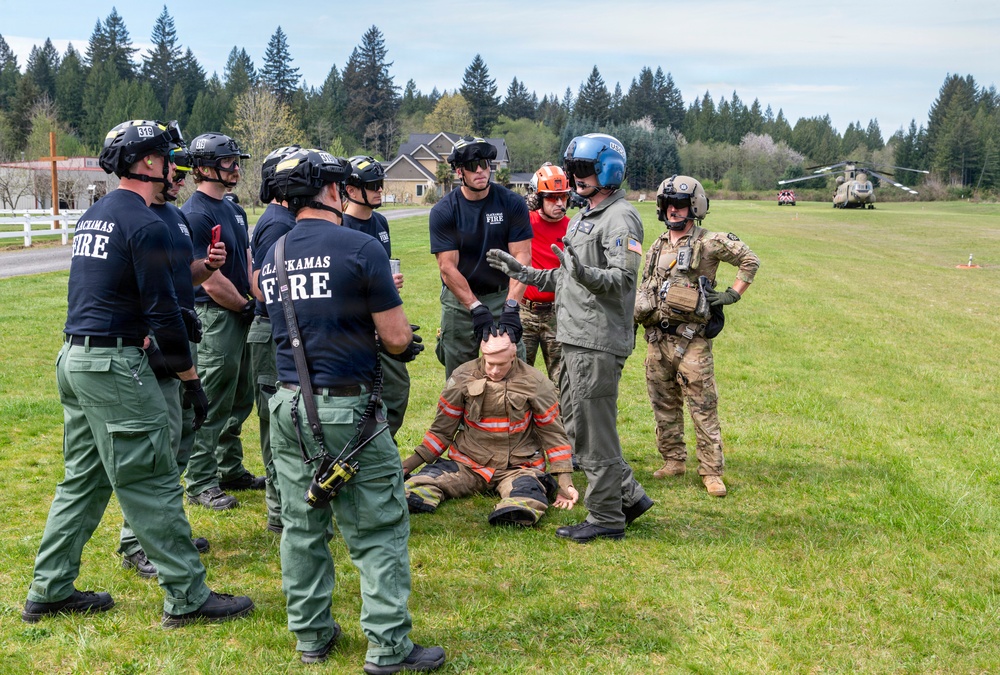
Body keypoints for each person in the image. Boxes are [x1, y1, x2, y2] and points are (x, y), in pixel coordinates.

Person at [22, 120, 253, 626]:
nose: (178, 168)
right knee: (153, 480)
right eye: (170, 158)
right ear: (148, 163)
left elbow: (152, 282)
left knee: (82, 480)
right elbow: (165, 313)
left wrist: (203, 268)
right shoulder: (147, 223)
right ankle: (188, 598)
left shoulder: (101, 213)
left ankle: (50, 588)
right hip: (115, 367)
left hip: (76, 360)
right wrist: (191, 380)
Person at [258, 148, 444, 672]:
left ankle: (311, 636)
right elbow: (395, 335)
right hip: (350, 408)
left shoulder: (271, 255)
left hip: (289, 407)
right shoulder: (362, 248)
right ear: (334, 192)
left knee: (301, 524)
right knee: (378, 527)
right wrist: (405, 345)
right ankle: (388, 647)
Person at [488, 133, 654, 543]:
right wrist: (521, 271)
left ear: (608, 171)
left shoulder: (621, 218)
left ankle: (607, 517)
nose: (577, 179)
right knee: (581, 428)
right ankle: (629, 497)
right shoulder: (584, 218)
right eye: (575, 169)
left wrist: (581, 272)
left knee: (593, 432)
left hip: (597, 338)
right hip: (575, 335)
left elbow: (622, 280)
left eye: (585, 170)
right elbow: (564, 277)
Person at [117, 126, 229, 577]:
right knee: (154, 445)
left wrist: (209, 267)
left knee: (184, 434)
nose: (179, 177)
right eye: (173, 170)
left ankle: (166, 529)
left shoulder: (176, 219)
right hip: (151, 347)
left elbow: (185, 277)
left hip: (182, 338)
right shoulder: (141, 217)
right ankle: (135, 543)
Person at [633, 175, 760, 497]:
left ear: (695, 207)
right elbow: (645, 286)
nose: (674, 211)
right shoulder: (658, 244)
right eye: (668, 205)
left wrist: (733, 294)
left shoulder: (710, 241)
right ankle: (673, 459)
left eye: (680, 205)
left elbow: (750, 260)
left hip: (692, 341)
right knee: (663, 405)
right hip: (657, 339)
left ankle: (712, 471)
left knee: (703, 407)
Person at [402, 333, 578, 525]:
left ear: (514, 357)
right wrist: (409, 465)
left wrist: (564, 482)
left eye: (501, 365)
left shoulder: (536, 383)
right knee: (425, 481)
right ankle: (416, 497)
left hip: (519, 467)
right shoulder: (462, 377)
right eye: (489, 363)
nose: (494, 370)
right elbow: (442, 430)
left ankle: (515, 511)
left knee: (528, 493)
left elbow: (553, 434)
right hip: (468, 464)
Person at [182, 132, 263, 511]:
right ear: (204, 168)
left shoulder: (234, 209)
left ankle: (229, 468)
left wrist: (255, 299)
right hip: (215, 317)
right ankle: (200, 482)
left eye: (236, 161)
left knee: (240, 396)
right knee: (213, 400)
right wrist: (242, 306)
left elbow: (245, 264)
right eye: (229, 161)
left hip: (239, 311)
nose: (236, 168)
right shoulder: (195, 213)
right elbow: (210, 280)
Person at [428, 136, 532, 378]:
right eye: (473, 166)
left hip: (501, 294)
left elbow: (522, 257)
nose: (481, 171)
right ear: (459, 171)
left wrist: (512, 306)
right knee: (459, 376)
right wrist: (474, 307)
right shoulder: (444, 210)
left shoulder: (512, 203)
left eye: (485, 164)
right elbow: (447, 268)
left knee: (515, 369)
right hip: (459, 300)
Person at [248, 144, 301, 534]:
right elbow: (264, 286)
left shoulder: (285, 219)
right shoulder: (279, 224)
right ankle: (280, 514)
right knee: (276, 424)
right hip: (271, 332)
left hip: (279, 330)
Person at [341, 155, 411, 439]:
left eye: (381, 184)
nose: (380, 190)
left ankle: (383, 445)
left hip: (384, 318)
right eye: (373, 185)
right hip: (355, 325)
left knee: (397, 390)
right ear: (351, 190)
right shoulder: (340, 226)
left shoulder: (381, 221)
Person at [520, 163, 571, 385]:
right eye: (552, 197)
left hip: (558, 313)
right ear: (538, 198)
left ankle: (561, 421)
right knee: (518, 376)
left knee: (562, 379)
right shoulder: (524, 223)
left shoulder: (573, 227)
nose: (559, 203)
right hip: (525, 311)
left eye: (563, 197)